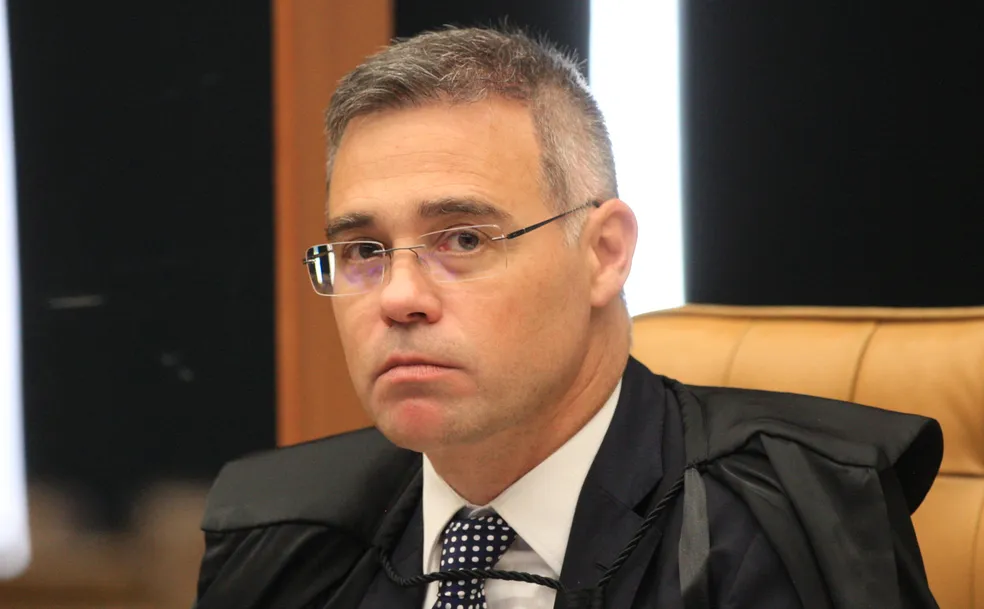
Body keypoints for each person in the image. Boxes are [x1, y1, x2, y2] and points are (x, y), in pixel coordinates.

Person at [192, 27, 941, 609]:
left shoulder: (784, 519)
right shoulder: (286, 538)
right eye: (364, 250)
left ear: (604, 253)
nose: (397, 297)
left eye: (463, 239)